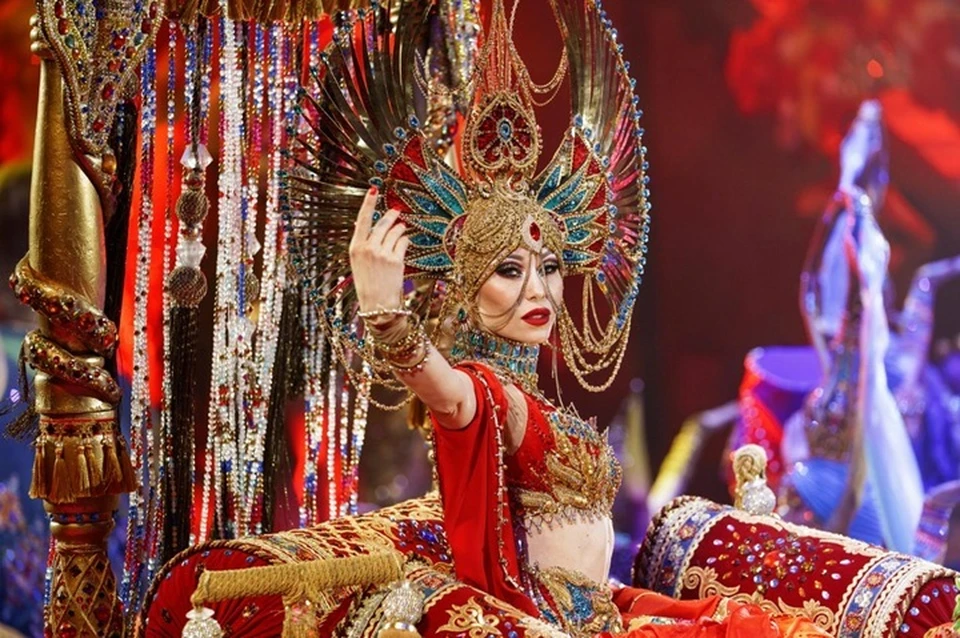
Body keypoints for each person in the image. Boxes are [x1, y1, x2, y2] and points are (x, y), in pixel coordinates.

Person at [286, 1, 828, 635]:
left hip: (603, 609)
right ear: (463, 290)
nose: (538, 289)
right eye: (508, 270)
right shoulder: (484, 392)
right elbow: (443, 389)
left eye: (548, 266)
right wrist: (385, 314)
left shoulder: (530, 397)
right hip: (547, 621)